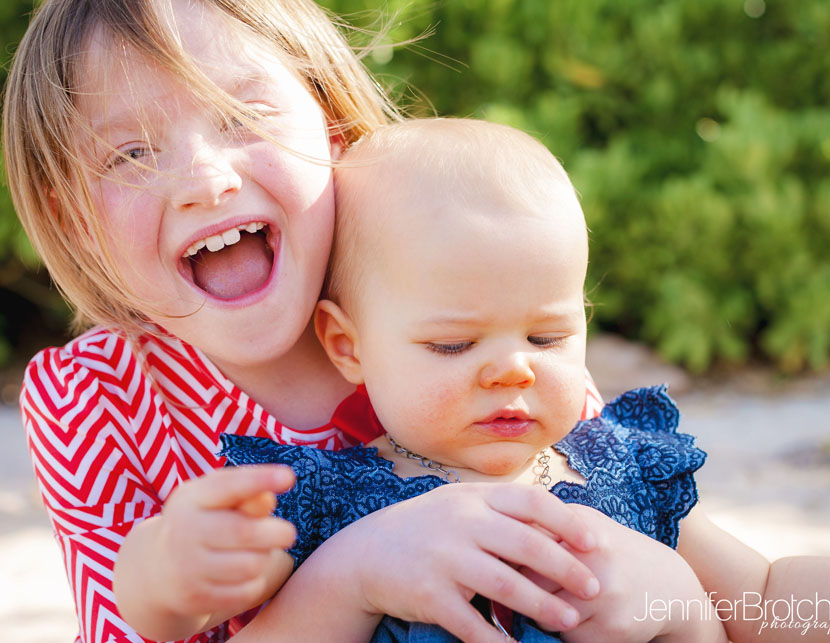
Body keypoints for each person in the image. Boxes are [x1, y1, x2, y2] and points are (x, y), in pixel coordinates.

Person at [3, 1, 675, 642]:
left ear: (332, 132)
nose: (205, 180)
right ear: (76, 224)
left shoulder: (459, 301)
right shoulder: (91, 398)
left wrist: (667, 588)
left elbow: (634, 535)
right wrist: (340, 574)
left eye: (242, 115)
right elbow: (137, 609)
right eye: (131, 154)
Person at [222, 118, 830, 643]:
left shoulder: (617, 469)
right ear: (348, 345)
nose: (514, 367)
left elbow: (768, 599)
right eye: (453, 343)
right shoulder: (330, 506)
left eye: (546, 337)